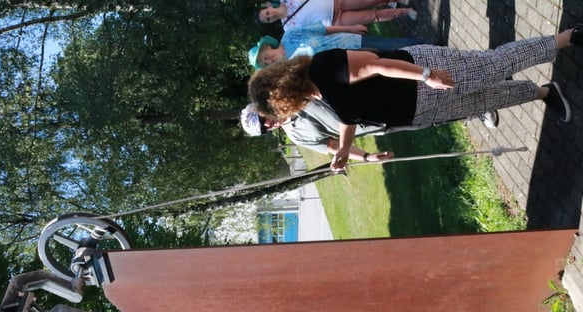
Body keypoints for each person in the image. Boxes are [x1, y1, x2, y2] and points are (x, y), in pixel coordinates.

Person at [249, 27, 578, 170]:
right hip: (417, 110)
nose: (281, 116)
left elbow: (376, 64)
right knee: (482, 101)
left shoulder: (322, 69)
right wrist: (347, 150)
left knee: (492, 66)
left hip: (418, 77)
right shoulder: (315, 94)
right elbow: (347, 118)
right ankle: (542, 92)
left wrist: (426, 74)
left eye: (276, 110)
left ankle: (567, 38)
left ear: (283, 94)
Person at [240, 100, 498, 159]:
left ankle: (489, 81)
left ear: (260, 107)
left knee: (433, 93)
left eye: (262, 120)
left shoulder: (291, 95)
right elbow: (334, 147)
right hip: (378, 125)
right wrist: (365, 157)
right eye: (264, 129)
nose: (268, 125)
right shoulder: (297, 136)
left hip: (376, 97)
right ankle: (478, 109)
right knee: (431, 118)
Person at [247, 22, 421, 69]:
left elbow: (323, 29)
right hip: (348, 64)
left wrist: (351, 28)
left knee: (392, 45)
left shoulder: (290, 35)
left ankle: (429, 46)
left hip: (349, 42)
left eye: (265, 57)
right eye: (265, 63)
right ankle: (425, 62)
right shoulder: (290, 68)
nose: (269, 60)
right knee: (391, 62)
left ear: (267, 47)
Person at [257, 0, 416, 31]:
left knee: (371, 0)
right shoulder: (288, 28)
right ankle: (405, 12)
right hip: (335, 20)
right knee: (372, 16)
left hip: (336, 2)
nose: (271, 16)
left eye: (267, 13)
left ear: (268, 7)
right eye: (268, 19)